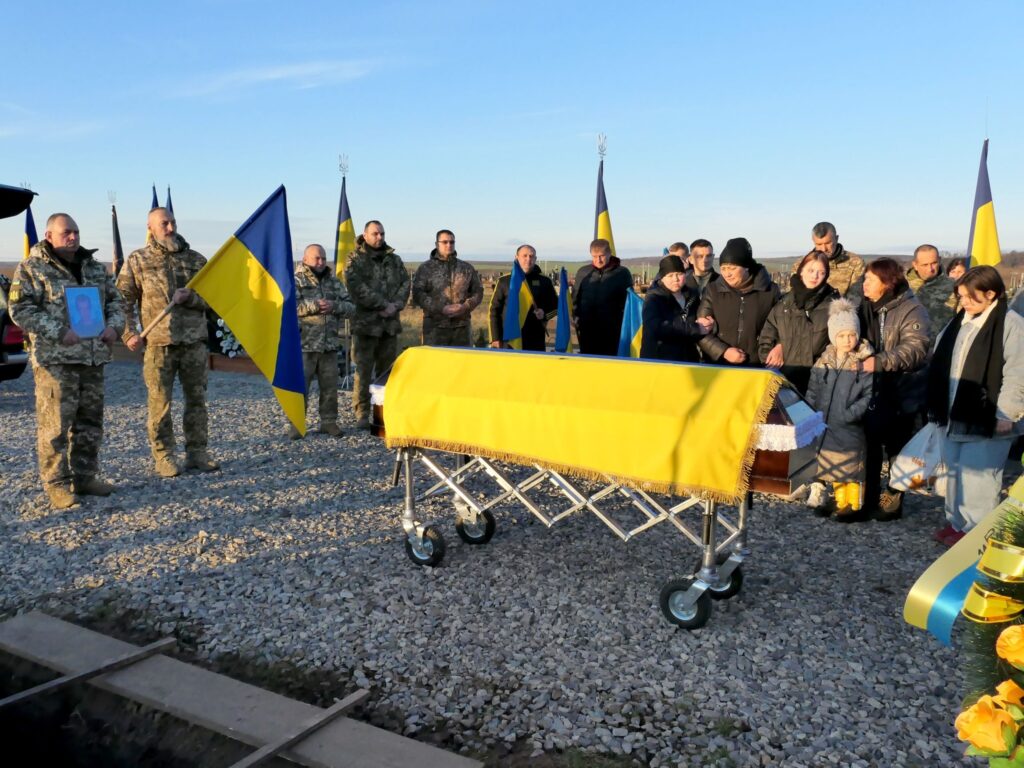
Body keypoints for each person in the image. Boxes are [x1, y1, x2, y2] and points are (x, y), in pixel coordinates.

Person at [9, 213, 125, 508]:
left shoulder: (94, 268)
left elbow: (116, 301)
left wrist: (115, 326)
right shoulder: (32, 269)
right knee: (56, 425)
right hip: (56, 359)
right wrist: (58, 332)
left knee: (90, 422)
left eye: (76, 231)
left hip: (93, 357)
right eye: (66, 233)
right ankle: (57, 483)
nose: (73, 237)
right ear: (49, 236)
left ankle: (85, 476)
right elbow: (19, 308)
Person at [118, 207, 218, 478]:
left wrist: (193, 299)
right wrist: (128, 333)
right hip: (159, 343)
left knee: (196, 400)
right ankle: (164, 455)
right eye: (164, 223)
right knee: (160, 403)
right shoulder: (138, 260)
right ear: (150, 227)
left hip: (194, 343)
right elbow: (123, 299)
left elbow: (214, 299)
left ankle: (197, 452)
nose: (171, 228)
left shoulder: (197, 260)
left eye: (173, 222)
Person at [927, 266, 1024, 545]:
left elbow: (1018, 372)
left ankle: (976, 532)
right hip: (955, 410)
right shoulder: (960, 320)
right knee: (955, 472)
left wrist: (1007, 412)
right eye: (961, 296)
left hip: (989, 415)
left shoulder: (1010, 323)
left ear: (991, 294)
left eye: (971, 297)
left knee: (979, 477)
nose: (964, 302)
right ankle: (957, 522)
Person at [857, 257, 931, 520]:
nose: (863, 284)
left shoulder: (912, 309)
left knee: (898, 448)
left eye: (870, 280)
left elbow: (916, 348)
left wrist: (881, 361)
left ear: (887, 283)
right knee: (870, 445)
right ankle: (868, 496)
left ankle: (893, 497)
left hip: (902, 389)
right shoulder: (865, 307)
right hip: (872, 387)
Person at [805, 299, 875, 521]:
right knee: (831, 462)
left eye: (851, 335)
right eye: (842, 335)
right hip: (825, 422)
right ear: (833, 336)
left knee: (851, 466)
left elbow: (869, 394)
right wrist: (810, 411)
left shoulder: (863, 361)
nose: (847, 340)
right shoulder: (824, 360)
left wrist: (851, 413)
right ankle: (838, 499)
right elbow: (813, 388)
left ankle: (852, 503)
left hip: (848, 424)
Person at [344, 220, 411, 431]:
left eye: (382, 233)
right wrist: (382, 305)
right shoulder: (355, 259)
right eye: (375, 234)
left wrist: (395, 306)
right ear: (365, 235)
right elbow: (356, 287)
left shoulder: (394, 259)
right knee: (363, 371)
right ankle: (362, 412)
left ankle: (384, 411)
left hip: (389, 324)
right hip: (366, 325)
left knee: (387, 371)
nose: (379, 237)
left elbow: (405, 283)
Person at [292, 243, 354, 439]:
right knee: (300, 387)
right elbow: (288, 308)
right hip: (305, 344)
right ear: (305, 259)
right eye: (316, 258)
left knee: (329, 387)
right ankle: (296, 423)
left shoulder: (333, 282)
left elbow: (351, 307)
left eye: (323, 258)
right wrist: (314, 306)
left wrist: (334, 306)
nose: (321, 262)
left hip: (329, 344)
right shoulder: (296, 281)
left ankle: (328, 422)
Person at [758, 251, 838, 394]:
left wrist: (826, 370)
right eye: (811, 270)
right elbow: (767, 337)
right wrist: (774, 357)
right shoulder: (784, 304)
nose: (815, 276)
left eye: (821, 272)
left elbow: (842, 345)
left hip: (820, 383)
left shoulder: (833, 306)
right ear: (801, 271)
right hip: (785, 382)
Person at [698, 237, 780, 366]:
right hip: (718, 365)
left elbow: (785, 327)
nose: (727, 274)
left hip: (758, 365)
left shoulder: (770, 292)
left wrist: (780, 347)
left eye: (732, 268)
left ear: (746, 267)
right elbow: (700, 330)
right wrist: (723, 351)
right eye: (723, 268)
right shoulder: (713, 290)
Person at [412, 229, 483, 346]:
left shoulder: (466, 268)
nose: (449, 245)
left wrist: (465, 306)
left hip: (462, 328)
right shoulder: (426, 268)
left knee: (461, 363)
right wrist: (440, 308)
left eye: (452, 242)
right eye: (445, 242)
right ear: (436, 244)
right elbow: (418, 294)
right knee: (435, 363)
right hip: (434, 328)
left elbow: (478, 292)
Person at [639, 254, 712, 362]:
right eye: (670, 275)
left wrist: (707, 324)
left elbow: (699, 322)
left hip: (688, 359)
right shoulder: (654, 298)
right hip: (660, 359)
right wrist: (695, 328)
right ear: (662, 278)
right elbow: (655, 327)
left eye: (679, 274)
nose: (676, 279)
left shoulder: (691, 296)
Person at [488, 244, 558, 351]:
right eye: (524, 256)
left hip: (535, 339)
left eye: (531, 256)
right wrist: (495, 338)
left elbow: (556, 306)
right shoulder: (504, 281)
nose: (528, 259)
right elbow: (493, 311)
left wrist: (544, 314)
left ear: (535, 259)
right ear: (516, 257)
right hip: (509, 339)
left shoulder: (545, 281)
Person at [572, 238, 633, 356]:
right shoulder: (583, 272)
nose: (598, 260)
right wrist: (574, 316)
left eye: (601, 256)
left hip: (612, 328)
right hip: (587, 327)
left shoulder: (622, 273)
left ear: (609, 253)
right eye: (594, 256)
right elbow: (575, 297)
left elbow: (629, 301)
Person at [796, 222, 864, 299]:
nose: (824, 249)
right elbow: (794, 295)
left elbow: (855, 297)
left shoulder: (855, 263)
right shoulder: (801, 264)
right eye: (819, 244)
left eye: (828, 243)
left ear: (836, 238)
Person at [906, 244, 956, 340]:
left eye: (934, 263)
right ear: (915, 265)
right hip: (908, 349)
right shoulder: (902, 287)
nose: (930, 269)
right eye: (925, 265)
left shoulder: (954, 287)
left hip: (941, 349)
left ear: (940, 260)